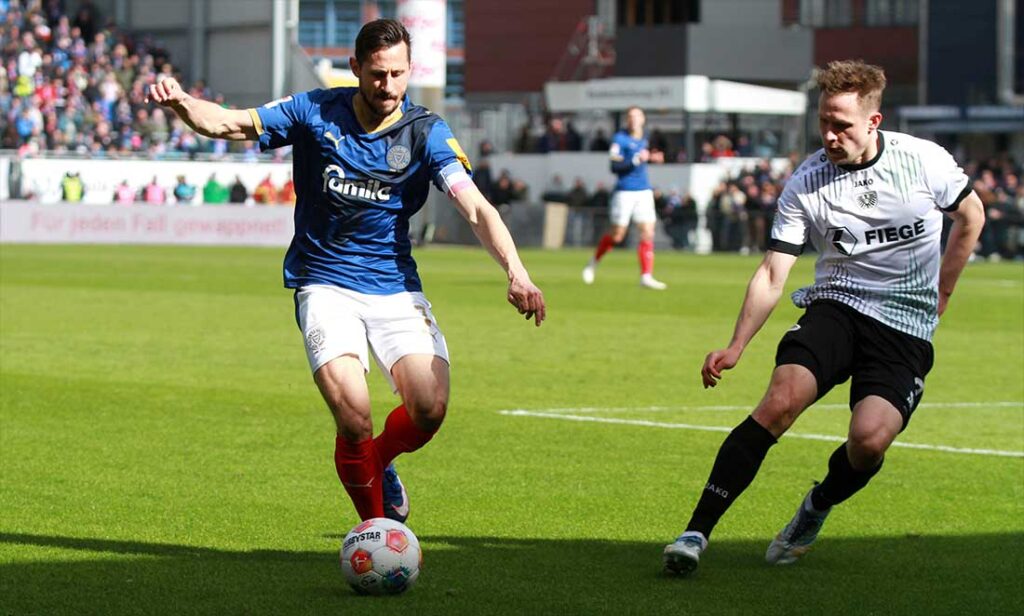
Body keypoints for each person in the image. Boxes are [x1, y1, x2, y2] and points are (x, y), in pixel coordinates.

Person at [146, 18, 545, 525]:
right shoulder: (314, 111)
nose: (388, 86)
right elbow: (227, 123)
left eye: (398, 74)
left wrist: (517, 272)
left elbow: (476, 207)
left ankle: (377, 464)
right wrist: (182, 102)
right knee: (355, 416)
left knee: (430, 409)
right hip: (325, 282)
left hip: (394, 286)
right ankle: (378, 530)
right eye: (378, 74)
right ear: (355, 68)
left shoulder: (426, 131)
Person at [662, 60, 985, 575]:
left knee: (869, 440)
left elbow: (971, 216)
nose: (831, 137)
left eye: (843, 126)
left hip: (904, 322)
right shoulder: (807, 182)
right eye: (824, 124)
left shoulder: (924, 161)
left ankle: (815, 507)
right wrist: (737, 344)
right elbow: (773, 272)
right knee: (779, 402)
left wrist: (944, 289)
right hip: (836, 306)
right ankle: (695, 532)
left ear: (874, 122)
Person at [581, 106, 667, 290]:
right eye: (630, 117)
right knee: (617, 236)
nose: (634, 120)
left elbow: (646, 156)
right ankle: (593, 262)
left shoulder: (646, 136)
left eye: (637, 116)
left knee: (647, 232)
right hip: (625, 191)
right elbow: (614, 166)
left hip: (644, 190)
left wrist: (653, 157)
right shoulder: (620, 139)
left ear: (643, 119)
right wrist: (636, 159)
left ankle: (646, 276)